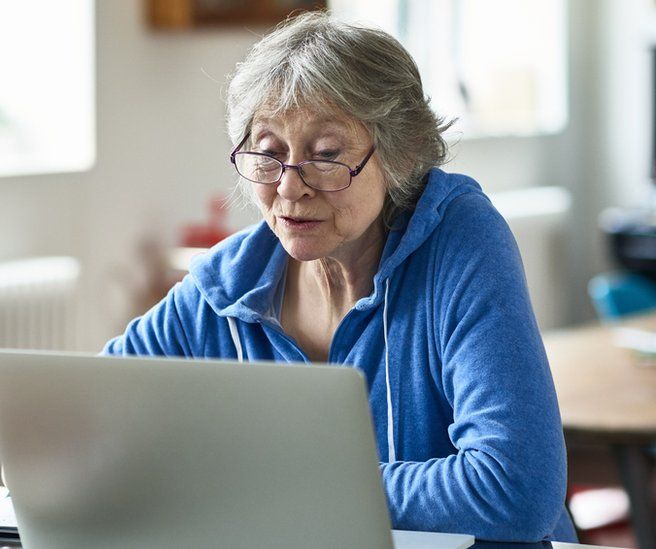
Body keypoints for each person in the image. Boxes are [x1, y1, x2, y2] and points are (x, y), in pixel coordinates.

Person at [103, 10, 577, 544]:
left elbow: (515, 489)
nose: (290, 187)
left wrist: (286, 488)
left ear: (404, 154)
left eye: (327, 157)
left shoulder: (460, 243)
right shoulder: (229, 282)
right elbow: (92, 416)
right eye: (269, 152)